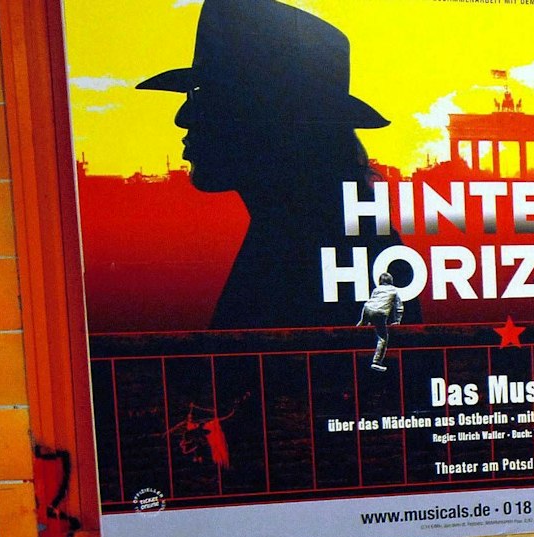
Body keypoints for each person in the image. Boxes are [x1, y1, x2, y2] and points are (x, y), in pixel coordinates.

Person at [138, 0, 418, 332]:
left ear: (269, 121)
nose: (182, 118)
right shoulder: (312, 233)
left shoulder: (302, 249)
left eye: (206, 97)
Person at [361, 271, 405, 371]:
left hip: (367, 309)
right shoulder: (394, 291)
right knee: (383, 337)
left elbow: (373, 302)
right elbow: (399, 307)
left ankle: (355, 335)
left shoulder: (376, 289)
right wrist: (397, 321)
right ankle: (376, 361)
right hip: (380, 313)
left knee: (361, 327)